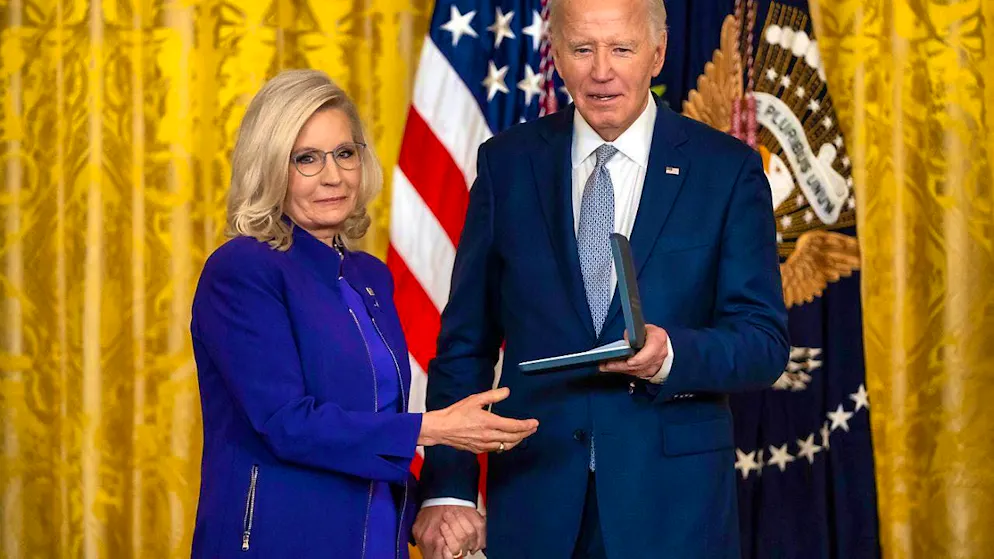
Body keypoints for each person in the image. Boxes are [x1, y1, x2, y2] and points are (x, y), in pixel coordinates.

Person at [413, 0, 789, 557]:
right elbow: (464, 344)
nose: (602, 70)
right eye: (583, 49)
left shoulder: (727, 170)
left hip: (672, 510)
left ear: (657, 54)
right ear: (557, 57)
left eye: (622, 49)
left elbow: (763, 342)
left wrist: (668, 355)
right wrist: (448, 488)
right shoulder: (507, 165)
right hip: (536, 500)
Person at [189, 69, 538, 559]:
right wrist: (433, 428)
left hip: (376, 539)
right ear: (269, 166)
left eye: (345, 153)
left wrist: (428, 514)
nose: (333, 175)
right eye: (305, 159)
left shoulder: (368, 276)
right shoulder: (242, 269)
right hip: (278, 541)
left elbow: (371, 432)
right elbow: (286, 423)